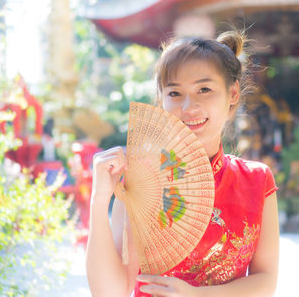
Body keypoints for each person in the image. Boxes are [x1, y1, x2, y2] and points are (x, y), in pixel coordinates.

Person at [86, 31, 280, 297]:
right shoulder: (139, 180)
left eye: (204, 89)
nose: (189, 107)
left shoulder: (257, 180)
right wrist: (99, 200)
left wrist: (196, 295)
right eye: (175, 92)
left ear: (232, 93)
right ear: (161, 100)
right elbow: (110, 292)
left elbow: (265, 281)